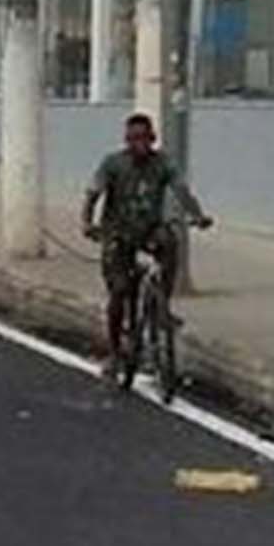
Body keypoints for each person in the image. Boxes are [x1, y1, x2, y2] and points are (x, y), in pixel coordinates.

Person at [81, 112, 211, 380]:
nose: (139, 144)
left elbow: (181, 190)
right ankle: (115, 352)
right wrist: (87, 223)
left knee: (170, 241)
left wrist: (197, 214)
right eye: (133, 139)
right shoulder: (113, 164)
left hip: (149, 230)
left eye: (144, 138)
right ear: (126, 141)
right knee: (119, 291)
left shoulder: (163, 163)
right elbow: (93, 194)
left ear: (153, 138)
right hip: (117, 233)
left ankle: (162, 303)